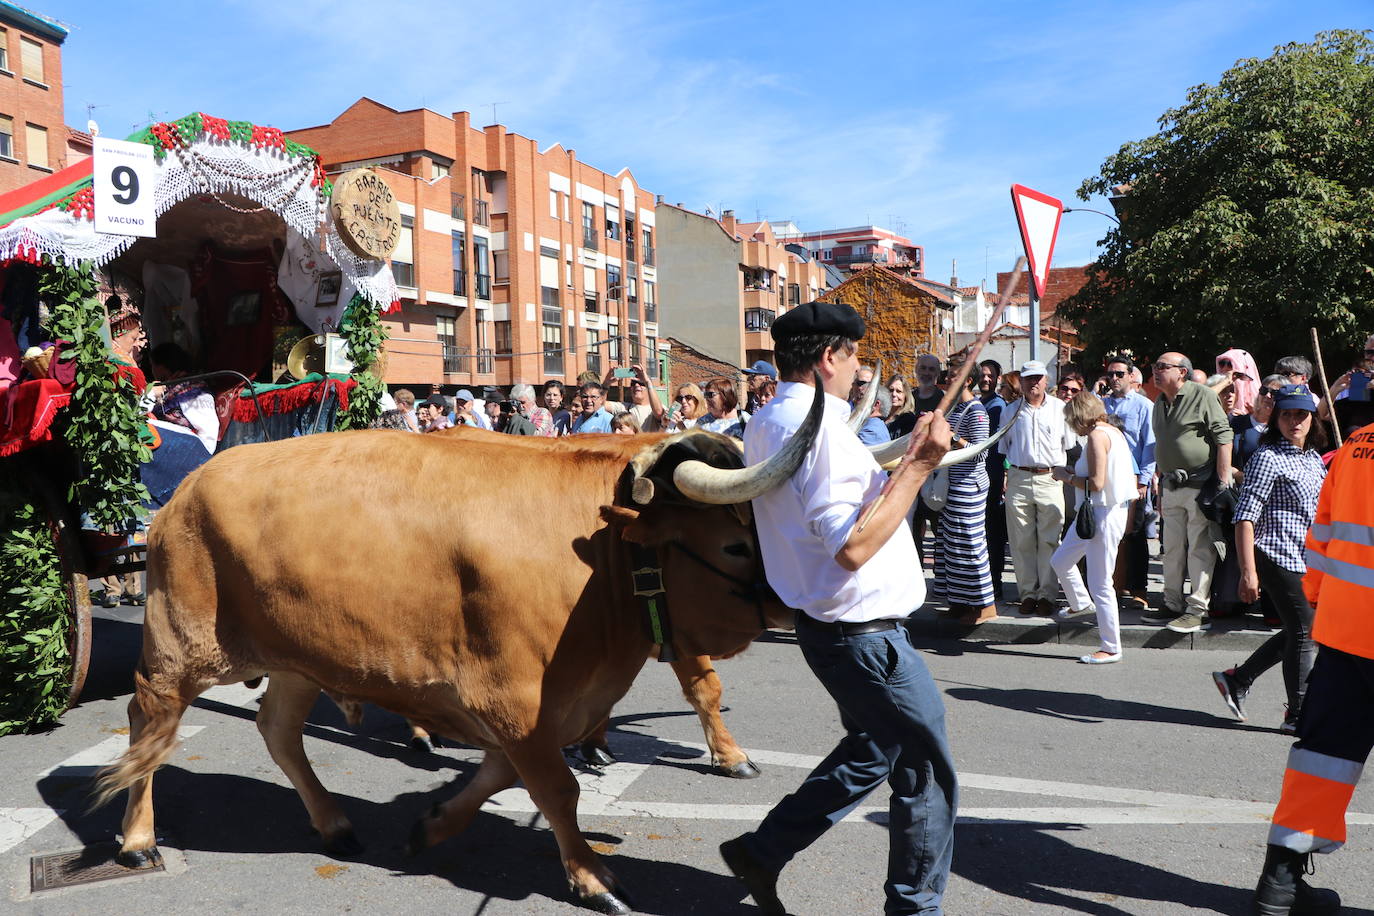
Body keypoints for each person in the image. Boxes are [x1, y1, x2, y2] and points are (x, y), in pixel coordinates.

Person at [722, 300, 957, 915]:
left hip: (834, 628)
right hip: (865, 635)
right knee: (926, 774)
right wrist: (919, 469)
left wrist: (901, 470)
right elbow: (850, 546)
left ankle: (761, 851)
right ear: (829, 357)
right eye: (853, 357)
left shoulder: (771, 417)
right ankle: (915, 909)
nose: (858, 370)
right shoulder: (819, 429)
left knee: (873, 750)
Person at [1245, 419, 1374, 916]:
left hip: (1346, 631)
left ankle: (1279, 881)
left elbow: (1320, 534)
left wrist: (1323, 607)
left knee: (1323, 757)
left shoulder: (1358, 446)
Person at [1211, 384, 1327, 735]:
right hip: (1275, 554)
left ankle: (1238, 679)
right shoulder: (1267, 457)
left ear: (1311, 419)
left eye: (1301, 415)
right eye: (1287, 414)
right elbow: (1244, 517)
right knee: (1306, 632)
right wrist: (1248, 572)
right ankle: (1298, 713)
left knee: (1303, 630)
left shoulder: (1313, 458)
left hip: (1306, 557)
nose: (1294, 421)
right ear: (1276, 417)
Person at [1144, 352, 1234, 633]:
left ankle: (1197, 609)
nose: (1156, 372)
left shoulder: (1202, 396)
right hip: (1171, 486)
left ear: (1182, 372)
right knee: (1170, 549)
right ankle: (1171, 603)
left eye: (1162, 367)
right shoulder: (1160, 402)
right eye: (1154, 367)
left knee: (1199, 549)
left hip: (1199, 486)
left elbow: (1224, 437)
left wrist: (1221, 483)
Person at [1050, 392, 1138, 663]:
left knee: (1100, 583)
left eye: (1071, 420)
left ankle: (1111, 647)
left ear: (1079, 416)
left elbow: (1097, 483)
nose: (1071, 426)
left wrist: (1066, 476)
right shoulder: (1112, 431)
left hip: (1102, 511)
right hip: (1099, 511)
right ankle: (1079, 603)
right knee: (1061, 560)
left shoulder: (1097, 436)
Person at [997, 360, 1076, 616]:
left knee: (1050, 540)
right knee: (1021, 541)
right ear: (1021, 381)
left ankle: (1048, 595)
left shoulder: (1060, 409)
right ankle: (1028, 594)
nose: (1033, 383)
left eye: (1038, 378)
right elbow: (1004, 448)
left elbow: (1069, 444)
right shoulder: (1010, 411)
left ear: (1046, 380)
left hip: (1050, 477)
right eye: (1028, 378)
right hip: (1019, 477)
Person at [932, 371, 995, 624]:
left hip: (969, 487)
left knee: (970, 545)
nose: (948, 381)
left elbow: (981, 453)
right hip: (952, 485)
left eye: (954, 378)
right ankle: (959, 602)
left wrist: (954, 439)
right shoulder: (956, 409)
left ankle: (984, 605)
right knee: (952, 546)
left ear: (968, 380)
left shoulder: (977, 411)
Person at [1100, 354, 1156, 609]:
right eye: (1110, 374)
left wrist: (1144, 481)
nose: (1114, 379)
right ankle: (1112, 584)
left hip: (1133, 480)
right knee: (1109, 535)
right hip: (1106, 478)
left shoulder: (1144, 406)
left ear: (1131, 376)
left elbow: (1149, 446)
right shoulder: (1101, 406)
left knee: (1135, 535)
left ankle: (1138, 590)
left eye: (1119, 374)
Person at [147, 342, 218, 456]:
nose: (152, 370)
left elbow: (208, 431)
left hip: (189, 457)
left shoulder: (192, 390)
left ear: (162, 365)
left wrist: (199, 458)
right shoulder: (168, 389)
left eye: (152, 365)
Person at [979, 360, 1009, 599]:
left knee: (992, 532)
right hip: (983, 476)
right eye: (982, 375)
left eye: (990, 375)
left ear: (998, 379)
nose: (986, 379)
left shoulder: (997, 406)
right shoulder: (982, 402)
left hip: (992, 476)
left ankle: (995, 581)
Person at [1216, 348, 1260, 417]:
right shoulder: (1215, 388)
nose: (1225, 368)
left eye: (1230, 364)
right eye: (1222, 363)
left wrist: (1249, 417)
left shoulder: (1262, 397)